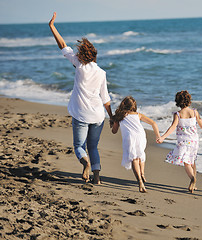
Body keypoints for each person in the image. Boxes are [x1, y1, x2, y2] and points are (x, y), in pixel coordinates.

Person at [49, 12, 113, 184]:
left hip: (81, 114)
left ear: (82, 54)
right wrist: (112, 117)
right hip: (98, 116)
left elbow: (62, 45)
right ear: (95, 55)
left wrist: (52, 26)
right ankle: (97, 178)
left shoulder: (78, 64)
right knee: (93, 147)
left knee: (79, 146)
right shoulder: (102, 73)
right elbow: (105, 98)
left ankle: (85, 164)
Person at [157, 90, 202, 193]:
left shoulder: (178, 114)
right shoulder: (194, 112)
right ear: (189, 101)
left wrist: (163, 137)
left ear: (177, 102)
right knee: (192, 160)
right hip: (194, 141)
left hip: (183, 141)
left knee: (186, 162)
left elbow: (172, 127)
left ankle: (192, 178)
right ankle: (194, 183)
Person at [112, 96, 160, 193]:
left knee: (133, 158)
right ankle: (142, 173)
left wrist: (114, 122)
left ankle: (140, 182)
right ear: (134, 106)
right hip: (141, 135)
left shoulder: (120, 116)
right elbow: (153, 123)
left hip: (130, 137)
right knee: (140, 155)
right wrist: (157, 136)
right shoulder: (138, 115)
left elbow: (114, 131)